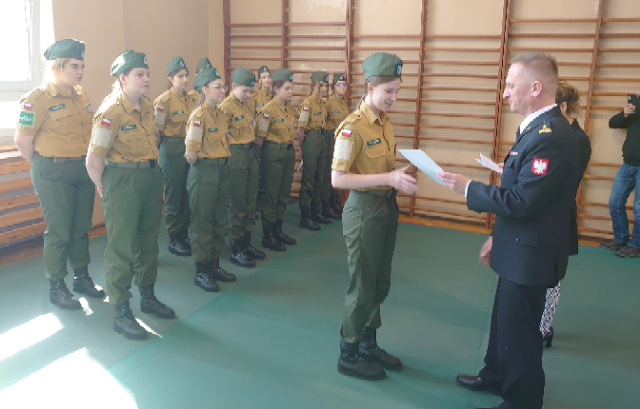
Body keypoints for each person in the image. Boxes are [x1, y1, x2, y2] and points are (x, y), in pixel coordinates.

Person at [439, 52, 580, 409]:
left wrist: (468, 188)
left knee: (520, 335)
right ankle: (496, 376)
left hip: (531, 253)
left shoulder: (551, 135)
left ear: (535, 88)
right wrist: (497, 237)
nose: (504, 93)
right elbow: (522, 190)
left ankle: (522, 401)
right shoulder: (535, 128)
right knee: (504, 322)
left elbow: (521, 200)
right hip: (518, 245)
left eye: (511, 85)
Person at [332, 52, 418, 381]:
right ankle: (348, 353)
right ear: (370, 87)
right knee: (362, 285)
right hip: (364, 212)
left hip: (385, 209)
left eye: (397, 91)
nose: (394, 98)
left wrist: (401, 175)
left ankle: (368, 343)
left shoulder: (384, 122)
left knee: (380, 282)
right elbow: (338, 179)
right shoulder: (352, 128)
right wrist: (388, 178)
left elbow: (381, 169)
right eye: (388, 91)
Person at [86, 51, 175, 341]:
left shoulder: (148, 105)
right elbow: (94, 159)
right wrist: (104, 187)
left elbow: (154, 140)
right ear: (123, 78)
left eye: (147, 74)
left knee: (148, 242)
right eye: (140, 74)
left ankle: (147, 296)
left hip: (150, 176)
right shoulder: (111, 111)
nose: (146, 78)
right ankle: (121, 310)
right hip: (122, 180)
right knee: (122, 246)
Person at [14, 38, 104, 310]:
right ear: (57, 67)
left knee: (81, 227)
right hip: (52, 171)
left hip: (81, 169)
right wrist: (44, 164)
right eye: (74, 66)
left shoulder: (81, 95)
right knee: (59, 231)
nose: (80, 71)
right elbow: (22, 141)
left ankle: (81, 277)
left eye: (82, 66)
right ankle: (57, 285)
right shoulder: (37, 99)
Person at [540, 81, 592, 347]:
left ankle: (543, 328)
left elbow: (562, 179)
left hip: (558, 213)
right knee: (536, 270)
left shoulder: (578, 140)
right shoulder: (551, 131)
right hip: (541, 211)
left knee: (552, 274)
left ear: (563, 107)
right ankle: (534, 323)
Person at [185, 67, 237, 292]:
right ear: (204, 89)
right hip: (204, 171)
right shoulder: (198, 117)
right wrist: (206, 168)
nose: (223, 90)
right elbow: (191, 154)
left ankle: (214, 265)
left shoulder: (221, 115)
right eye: (218, 87)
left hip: (222, 170)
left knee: (218, 219)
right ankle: (202, 270)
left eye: (223, 87)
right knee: (202, 221)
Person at [219, 68, 266, 268]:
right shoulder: (225, 107)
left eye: (250, 91)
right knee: (237, 203)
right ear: (234, 86)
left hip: (250, 152)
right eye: (245, 90)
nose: (248, 94)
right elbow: (222, 137)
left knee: (250, 201)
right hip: (235, 155)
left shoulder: (249, 104)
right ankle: (235, 247)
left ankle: (246, 243)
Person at [254, 68, 298, 252]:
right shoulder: (267, 110)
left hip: (288, 152)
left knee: (283, 193)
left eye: (291, 88)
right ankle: (268, 234)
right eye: (287, 88)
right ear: (277, 89)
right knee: (271, 195)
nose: (291, 92)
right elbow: (259, 139)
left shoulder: (290, 109)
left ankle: (278, 229)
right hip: (272, 154)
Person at [154, 57, 194, 257]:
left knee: (186, 193)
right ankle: (174, 237)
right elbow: (157, 132)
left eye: (186, 75)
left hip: (188, 147)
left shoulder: (191, 99)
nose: (185, 79)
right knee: (173, 194)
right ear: (170, 78)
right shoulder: (164, 101)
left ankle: (184, 233)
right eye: (180, 76)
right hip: (171, 148)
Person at [600, 92, 640, 258]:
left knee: (639, 208)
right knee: (615, 202)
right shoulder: (635, 111)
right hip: (628, 164)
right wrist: (625, 113)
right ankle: (621, 239)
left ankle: (635, 245)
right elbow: (613, 123)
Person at [297, 71, 331, 231]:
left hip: (322, 139)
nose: (324, 88)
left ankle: (314, 211)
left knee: (320, 177)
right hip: (311, 139)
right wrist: (303, 148)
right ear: (313, 85)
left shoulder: (323, 104)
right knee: (309, 178)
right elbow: (300, 130)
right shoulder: (307, 103)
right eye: (321, 85)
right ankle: (305, 216)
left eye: (326, 85)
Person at [322, 73, 350, 219]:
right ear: (333, 87)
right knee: (329, 173)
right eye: (339, 84)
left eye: (344, 84)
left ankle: (335, 203)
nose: (342, 87)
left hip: (342, 141)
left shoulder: (344, 104)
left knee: (339, 172)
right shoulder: (328, 103)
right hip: (330, 139)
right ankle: (326, 206)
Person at [251, 65, 274, 215]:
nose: (267, 80)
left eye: (269, 76)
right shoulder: (254, 98)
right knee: (258, 173)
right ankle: (257, 203)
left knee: (270, 175)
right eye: (263, 77)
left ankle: (267, 203)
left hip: (272, 140)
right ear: (259, 80)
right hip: (259, 141)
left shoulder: (275, 97)